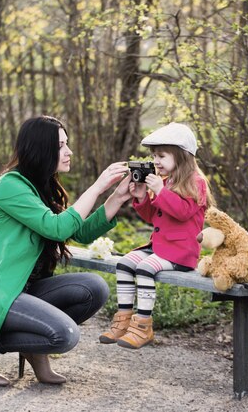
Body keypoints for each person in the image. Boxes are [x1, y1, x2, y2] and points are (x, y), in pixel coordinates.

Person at [0, 116, 131, 386]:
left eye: (68, 144)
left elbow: (77, 231)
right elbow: (55, 228)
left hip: (26, 289)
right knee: (64, 336)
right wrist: (98, 186)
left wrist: (118, 197)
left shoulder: (41, 187)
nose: (69, 152)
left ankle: (34, 343)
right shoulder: (10, 186)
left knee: (94, 288)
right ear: (40, 149)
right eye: (61, 146)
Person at [99, 122, 216, 349]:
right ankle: (123, 320)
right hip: (160, 247)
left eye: (161, 156)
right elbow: (154, 218)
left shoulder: (197, 183)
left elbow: (182, 213)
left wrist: (160, 192)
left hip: (181, 252)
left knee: (144, 269)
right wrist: (143, 197)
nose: (156, 162)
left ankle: (143, 326)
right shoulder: (165, 181)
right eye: (154, 156)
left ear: (182, 156)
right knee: (124, 264)